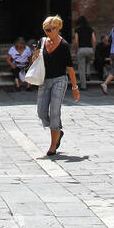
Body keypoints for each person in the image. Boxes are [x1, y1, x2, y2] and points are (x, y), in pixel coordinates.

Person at [31, 15, 79, 156]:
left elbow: (70, 68)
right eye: (45, 30)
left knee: (55, 112)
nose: (47, 32)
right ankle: (58, 131)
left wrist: (75, 88)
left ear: (58, 28)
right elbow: (35, 60)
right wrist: (34, 57)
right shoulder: (42, 41)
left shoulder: (63, 45)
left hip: (60, 80)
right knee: (41, 112)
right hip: (44, 80)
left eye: (50, 29)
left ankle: (53, 145)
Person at [72, 16, 96, 91]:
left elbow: (76, 41)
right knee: (88, 61)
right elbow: (94, 40)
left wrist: (75, 50)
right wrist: (93, 50)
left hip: (81, 49)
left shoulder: (77, 30)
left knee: (81, 68)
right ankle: (88, 73)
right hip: (90, 49)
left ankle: (83, 86)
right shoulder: (90, 29)